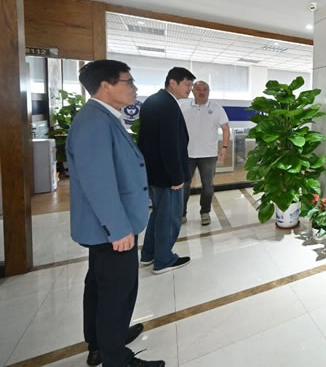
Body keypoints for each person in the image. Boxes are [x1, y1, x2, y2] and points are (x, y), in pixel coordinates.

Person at [67, 59, 165, 367]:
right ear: (106, 85)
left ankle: (102, 341)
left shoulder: (102, 117)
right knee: (117, 293)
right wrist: (119, 228)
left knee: (100, 286)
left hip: (105, 227)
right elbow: (98, 182)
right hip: (111, 229)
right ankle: (116, 358)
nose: (134, 87)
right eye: (128, 81)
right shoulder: (95, 123)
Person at [137, 67, 195, 274]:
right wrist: (176, 176)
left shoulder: (153, 101)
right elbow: (169, 144)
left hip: (153, 172)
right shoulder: (168, 105)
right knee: (169, 217)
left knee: (158, 213)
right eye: (187, 84)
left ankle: (149, 254)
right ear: (172, 82)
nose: (190, 89)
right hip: (166, 175)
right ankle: (164, 259)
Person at [181, 81, 230, 226]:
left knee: (208, 186)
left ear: (209, 91)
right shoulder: (183, 106)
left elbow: (225, 129)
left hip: (209, 154)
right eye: (198, 89)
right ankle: (181, 214)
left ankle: (205, 212)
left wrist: (224, 147)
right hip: (187, 154)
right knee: (184, 186)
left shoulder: (216, 108)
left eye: (205, 89)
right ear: (193, 91)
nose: (202, 92)